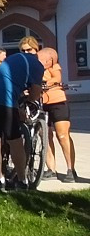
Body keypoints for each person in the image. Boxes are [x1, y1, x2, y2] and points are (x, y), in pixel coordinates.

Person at [0, 44, 48, 191]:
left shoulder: (14, 57)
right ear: (47, 60)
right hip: (4, 102)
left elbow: (9, 80)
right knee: (15, 140)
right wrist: (26, 105)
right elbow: (35, 93)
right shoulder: (38, 66)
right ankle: (22, 181)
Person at [38, 47, 77, 183]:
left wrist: (43, 83)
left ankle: (71, 169)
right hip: (41, 103)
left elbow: (57, 77)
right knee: (45, 136)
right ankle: (51, 169)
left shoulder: (54, 66)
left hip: (57, 101)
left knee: (62, 135)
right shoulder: (34, 66)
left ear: (50, 59)